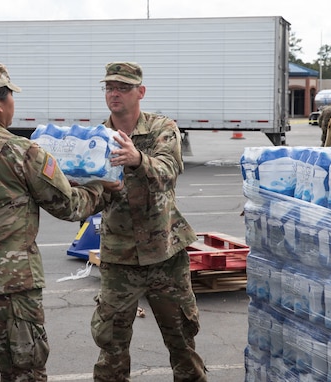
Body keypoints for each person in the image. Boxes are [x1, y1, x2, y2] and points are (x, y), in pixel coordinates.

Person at [0, 62, 120, 382]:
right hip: (6, 289)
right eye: (11, 97)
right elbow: (69, 206)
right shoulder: (21, 151)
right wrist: (103, 189)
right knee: (25, 374)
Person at [89, 62, 207, 382]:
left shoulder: (161, 128)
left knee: (182, 340)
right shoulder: (97, 138)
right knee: (111, 344)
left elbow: (169, 172)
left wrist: (137, 159)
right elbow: (90, 195)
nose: (114, 93)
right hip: (119, 254)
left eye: (123, 88)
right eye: (109, 88)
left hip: (164, 252)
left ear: (140, 92)